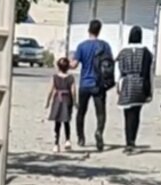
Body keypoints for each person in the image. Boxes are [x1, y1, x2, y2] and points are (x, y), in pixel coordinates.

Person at [70, 19, 113, 151]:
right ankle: (99, 131)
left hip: (85, 83)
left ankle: (81, 138)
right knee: (100, 112)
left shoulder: (82, 46)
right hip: (99, 84)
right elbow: (109, 63)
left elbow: (74, 65)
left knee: (81, 112)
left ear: (89, 29)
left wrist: (66, 62)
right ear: (99, 30)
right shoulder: (105, 46)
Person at [115, 26, 153, 152]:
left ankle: (128, 141)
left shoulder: (123, 51)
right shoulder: (146, 52)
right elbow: (149, 73)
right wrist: (150, 91)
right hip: (140, 83)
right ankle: (132, 141)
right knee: (136, 114)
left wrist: (118, 85)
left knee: (127, 115)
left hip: (126, 82)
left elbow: (118, 71)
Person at [45, 56, 74, 153]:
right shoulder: (70, 78)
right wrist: (75, 101)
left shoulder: (55, 77)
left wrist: (48, 101)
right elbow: (73, 91)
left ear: (58, 67)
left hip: (58, 99)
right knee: (66, 121)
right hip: (67, 100)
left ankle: (56, 144)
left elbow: (50, 90)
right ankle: (67, 140)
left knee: (57, 123)